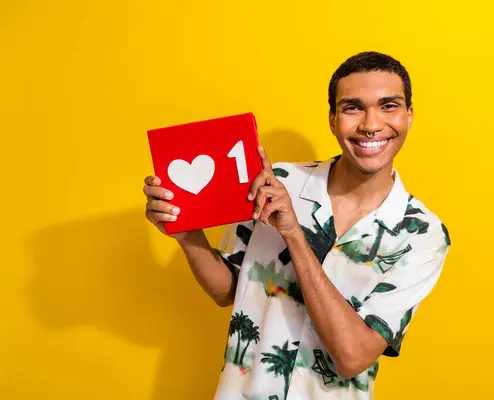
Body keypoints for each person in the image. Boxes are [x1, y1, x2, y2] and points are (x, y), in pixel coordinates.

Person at [143, 51, 451, 400]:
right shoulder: (278, 183)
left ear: (409, 115)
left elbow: (352, 357)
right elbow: (228, 291)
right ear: (333, 119)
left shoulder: (423, 234)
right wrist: (188, 235)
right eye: (352, 107)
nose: (370, 124)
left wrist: (293, 233)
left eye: (388, 106)